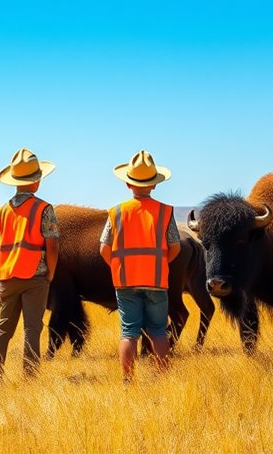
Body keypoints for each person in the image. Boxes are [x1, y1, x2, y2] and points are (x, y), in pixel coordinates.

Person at [100, 150, 181, 383]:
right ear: (154, 185)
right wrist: (159, 263)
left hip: (125, 281)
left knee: (129, 333)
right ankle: (162, 377)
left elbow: (104, 248)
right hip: (156, 279)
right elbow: (175, 246)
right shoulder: (166, 212)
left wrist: (118, 266)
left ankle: (128, 380)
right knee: (158, 331)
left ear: (127, 183)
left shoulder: (115, 212)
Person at [0, 148, 59, 384]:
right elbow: (53, 247)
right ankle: (30, 379)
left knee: (3, 329)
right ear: (36, 181)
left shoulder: (1, 211)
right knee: (32, 329)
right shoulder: (44, 209)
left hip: (7, 276)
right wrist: (49, 275)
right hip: (35, 277)